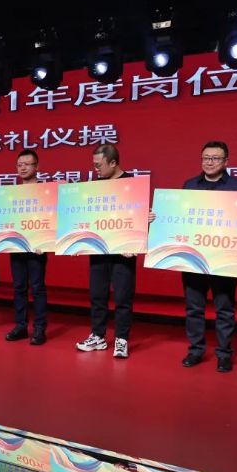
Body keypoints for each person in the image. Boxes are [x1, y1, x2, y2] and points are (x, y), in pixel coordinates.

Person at [75, 145, 152, 358]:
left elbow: (139, 218)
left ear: (113, 163)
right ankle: (98, 336)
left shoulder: (132, 185)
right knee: (97, 296)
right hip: (98, 251)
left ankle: (121, 339)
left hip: (123, 253)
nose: (96, 169)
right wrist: (75, 241)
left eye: (99, 165)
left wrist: (145, 222)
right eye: (94, 165)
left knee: (122, 298)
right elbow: (86, 218)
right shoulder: (95, 187)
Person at [180, 141, 237, 373]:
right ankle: (195, 350)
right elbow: (180, 218)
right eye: (206, 158)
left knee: (225, 309)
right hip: (193, 258)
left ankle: (224, 354)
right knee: (194, 308)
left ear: (226, 161)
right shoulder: (189, 186)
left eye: (215, 158)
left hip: (224, 258)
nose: (209, 162)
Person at [5, 149, 49, 345]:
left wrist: (46, 242)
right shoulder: (12, 194)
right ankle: (21, 326)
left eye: (27, 164)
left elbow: (50, 218)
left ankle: (39, 328)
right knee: (19, 287)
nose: (22, 168)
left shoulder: (45, 191)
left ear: (37, 166)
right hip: (17, 247)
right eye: (19, 165)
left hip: (37, 248)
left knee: (37, 288)